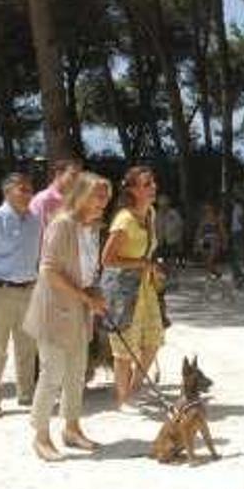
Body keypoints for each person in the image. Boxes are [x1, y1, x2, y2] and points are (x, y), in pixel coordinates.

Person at [24, 172, 111, 461]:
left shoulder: (93, 228)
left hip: (80, 310)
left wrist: (95, 295)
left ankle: (72, 429)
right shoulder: (62, 225)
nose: (104, 201)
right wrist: (86, 297)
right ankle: (41, 436)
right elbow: (48, 270)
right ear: (82, 195)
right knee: (52, 375)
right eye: (98, 195)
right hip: (54, 310)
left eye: (106, 196)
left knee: (76, 374)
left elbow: (88, 271)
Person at [0, 173, 41, 419]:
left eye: (29, 189)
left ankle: (27, 394)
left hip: (28, 290)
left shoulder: (35, 221)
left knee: (27, 347)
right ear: (7, 192)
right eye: (22, 189)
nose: (27, 194)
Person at [100, 166, 165, 410]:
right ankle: (123, 397)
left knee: (154, 338)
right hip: (123, 290)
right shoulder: (124, 220)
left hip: (145, 287)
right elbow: (106, 260)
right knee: (124, 348)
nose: (153, 187)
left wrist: (151, 267)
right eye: (147, 184)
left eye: (153, 182)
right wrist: (141, 263)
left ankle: (135, 387)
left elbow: (149, 249)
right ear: (132, 190)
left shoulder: (150, 213)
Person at [30, 158, 83, 229]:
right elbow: (36, 233)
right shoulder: (43, 199)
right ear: (59, 174)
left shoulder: (76, 200)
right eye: (73, 175)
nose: (78, 180)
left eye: (80, 176)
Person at [196, 203, 227, 278]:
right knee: (206, 259)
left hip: (215, 241)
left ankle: (210, 274)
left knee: (210, 258)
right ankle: (215, 272)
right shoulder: (203, 220)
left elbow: (223, 232)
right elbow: (199, 232)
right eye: (206, 210)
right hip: (205, 241)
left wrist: (224, 242)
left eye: (209, 210)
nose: (208, 212)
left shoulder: (217, 220)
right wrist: (197, 243)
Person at [155, 195, 184, 269]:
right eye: (161, 206)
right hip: (161, 239)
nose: (163, 207)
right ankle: (162, 268)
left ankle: (171, 269)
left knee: (171, 255)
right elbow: (155, 226)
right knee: (161, 256)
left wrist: (177, 237)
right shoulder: (157, 215)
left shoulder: (174, 214)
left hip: (172, 239)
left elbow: (180, 225)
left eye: (164, 205)